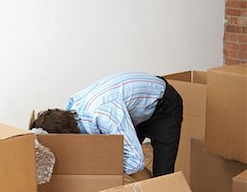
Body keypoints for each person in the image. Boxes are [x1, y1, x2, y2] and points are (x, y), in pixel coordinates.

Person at [30, 71, 183, 177]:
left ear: (67, 136)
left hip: (163, 104)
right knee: (116, 153)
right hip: (131, 107)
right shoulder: (72, 107)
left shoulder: (103, 115)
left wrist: (102, 172)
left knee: (162, 173)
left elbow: (136, 163)